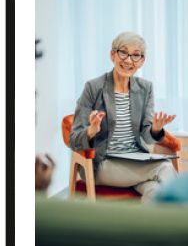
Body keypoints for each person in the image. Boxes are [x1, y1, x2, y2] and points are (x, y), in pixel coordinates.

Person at [69, 31, 177, 201]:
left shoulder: (145, 88)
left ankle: (149, 227)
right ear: (113, 54)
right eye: (123, 52)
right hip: (102, 163)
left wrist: (155, 130)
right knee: (164, 168)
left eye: (135, 55)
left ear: (141, 61)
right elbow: (74, 139)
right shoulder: (93, 87)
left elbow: (147, 138)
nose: (128, 60)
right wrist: (91, 131)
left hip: (136, 161)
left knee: (155, 190)